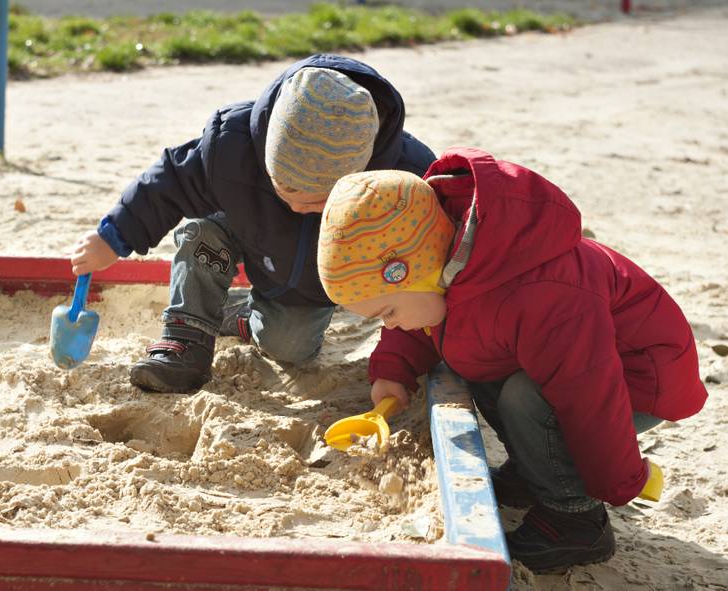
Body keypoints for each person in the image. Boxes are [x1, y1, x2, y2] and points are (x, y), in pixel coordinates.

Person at [315, 149, 708, 572]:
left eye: (387, 312)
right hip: (569, 368)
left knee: (525, 398)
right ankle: (535, 469)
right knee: (477, 362)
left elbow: (590, 395)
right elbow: (423, 320)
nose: (389, 324)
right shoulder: (446, 263)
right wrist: (394, 370)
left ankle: (576, 522)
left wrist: (621, 478)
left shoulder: (541, 293)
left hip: (641, 377)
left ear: (411, 272)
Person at [69, 54, 436, 393]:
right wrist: (113, 237)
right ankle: (185, 338)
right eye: (285, 189)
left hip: (310, 282)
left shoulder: (403, 178)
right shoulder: (232, 146)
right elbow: (168, 183)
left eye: (318, 202)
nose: (298, 206)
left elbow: (435, 248)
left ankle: (241, 313)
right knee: (202, 234)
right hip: (243, 228)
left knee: (289, 346)